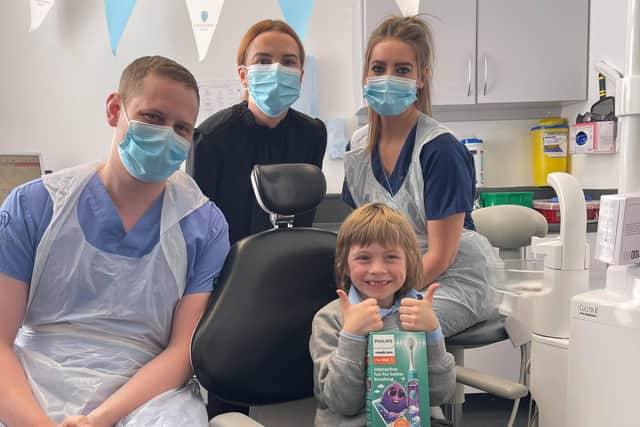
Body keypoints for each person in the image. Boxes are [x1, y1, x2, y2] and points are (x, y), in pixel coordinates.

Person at [0, 56, 230, 427]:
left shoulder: (204, 225)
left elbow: (180, 352)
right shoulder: (34, 206)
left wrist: (100, 419)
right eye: (153, 118)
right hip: (35, 376)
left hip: (148, 393)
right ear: (113, 110)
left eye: (182, 128)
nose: (167, 135)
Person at [342, 16, 496, 337]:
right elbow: (359, 238)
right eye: (378, 68)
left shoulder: (441, 150)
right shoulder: (357, 148)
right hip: (388, 279)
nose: (388, 78)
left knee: (388, 332)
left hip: (450, 280)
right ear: (365, 75)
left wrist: (383, 300)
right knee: (331, 321)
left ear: (421, 78)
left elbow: (442, 255)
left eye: (402, 70)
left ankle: (429, 389)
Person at [310, 202, 456, 426]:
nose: (378, 269)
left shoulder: (417, 314)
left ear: (409, 262)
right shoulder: (330, 319)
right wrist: (352, 336)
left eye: (391, 257)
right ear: (346, 265)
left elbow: (439, 395)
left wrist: (433, 332)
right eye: (364, 258)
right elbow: (342, 403)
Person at [193, 19, 327, 245]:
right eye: (263, 61)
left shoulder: (312, 135)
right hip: (227, 269)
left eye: (288, 62)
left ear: (300, 76)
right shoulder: (211, 137)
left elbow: (306, 216)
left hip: (293, 263)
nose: (276, 69)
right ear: (244, 76)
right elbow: (198, 225)